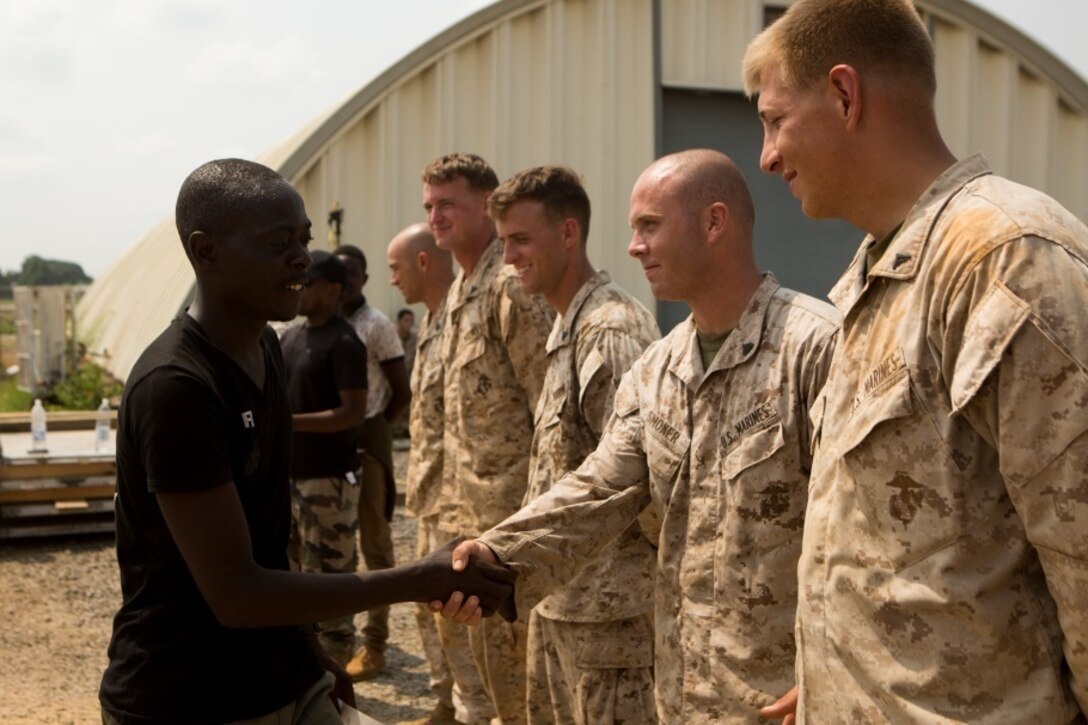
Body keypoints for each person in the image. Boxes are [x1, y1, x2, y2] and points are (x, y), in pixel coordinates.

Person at [741, 1, 1088, 721]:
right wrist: (840, 666)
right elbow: (928, 547)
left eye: (775, 120)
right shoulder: (882, 280)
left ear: (844, 95)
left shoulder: (1002, 259)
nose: (767, 156)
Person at [98, 158, 515, 724]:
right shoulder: (177, 388)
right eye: (277, 243)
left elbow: (271, 546)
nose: (301, 258)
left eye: (303, 239)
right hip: (191, 699)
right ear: (206, 251)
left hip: (281, 680)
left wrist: (312, 657)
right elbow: (238, 593)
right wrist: (418, 577)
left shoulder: (265, 350)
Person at [439, 149, 839, 723]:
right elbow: (599, 487)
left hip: (780, 694)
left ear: (713, 223)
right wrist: (497, 554)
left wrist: (828, 667)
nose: (633, 246)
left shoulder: (815, 347)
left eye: (650, 225)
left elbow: (865, 535)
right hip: (682, 688)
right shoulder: (659, 368)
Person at [488, 165, 660, 724]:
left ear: (568, 234)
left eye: (520, 240)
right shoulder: (568, 328)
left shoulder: (610, 332)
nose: (509, 258)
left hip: (612, 624)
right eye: (503, 242)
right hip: (565, 602)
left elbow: (649, 480)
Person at [424, 152, 557, 724]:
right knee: (476, 674)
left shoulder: (510, 289)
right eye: (429, 205)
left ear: (485, 204)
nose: (436, 216)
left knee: (519, 685)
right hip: (461, 515)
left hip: (508, 524)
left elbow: (546, 403)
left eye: (448, 203)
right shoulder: (456, 294)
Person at [388, 223, 491, 725]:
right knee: (429, 614)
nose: (392, 280)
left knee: (462, 621)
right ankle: (446, 702)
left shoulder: (463, 318)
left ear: (423, 263)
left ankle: (475, 710)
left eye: (395, 268)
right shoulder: (431, 322)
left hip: (459, 501)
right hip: (429, 496)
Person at [280, 251, 369, 666]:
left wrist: (289, 423)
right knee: (293, 574)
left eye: (308, 280)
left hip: (328, 482)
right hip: (291, 477)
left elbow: (352, 412)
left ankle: (336, 671)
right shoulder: (289, 338)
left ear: (333, 290)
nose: (299, 287)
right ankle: (303, 663)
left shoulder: (345, 341)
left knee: (331, 577)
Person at [333, 243, 412, 680]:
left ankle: (376, 643)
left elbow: (402, 391)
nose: (345, 282)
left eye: (352, 274)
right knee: (330, 543)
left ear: (364, 279)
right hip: (328, 446)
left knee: (375, 544)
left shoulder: (375, 325)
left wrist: (376, 428)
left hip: (367, 439)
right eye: (337, 273)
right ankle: (334, 638)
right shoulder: (323, 321)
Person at [397, 308, 418, 375]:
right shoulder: (392, 339)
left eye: (411, 321)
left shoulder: (415, 338)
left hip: (411, 374)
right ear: (399, 321)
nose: (409, 323)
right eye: (406, 320)